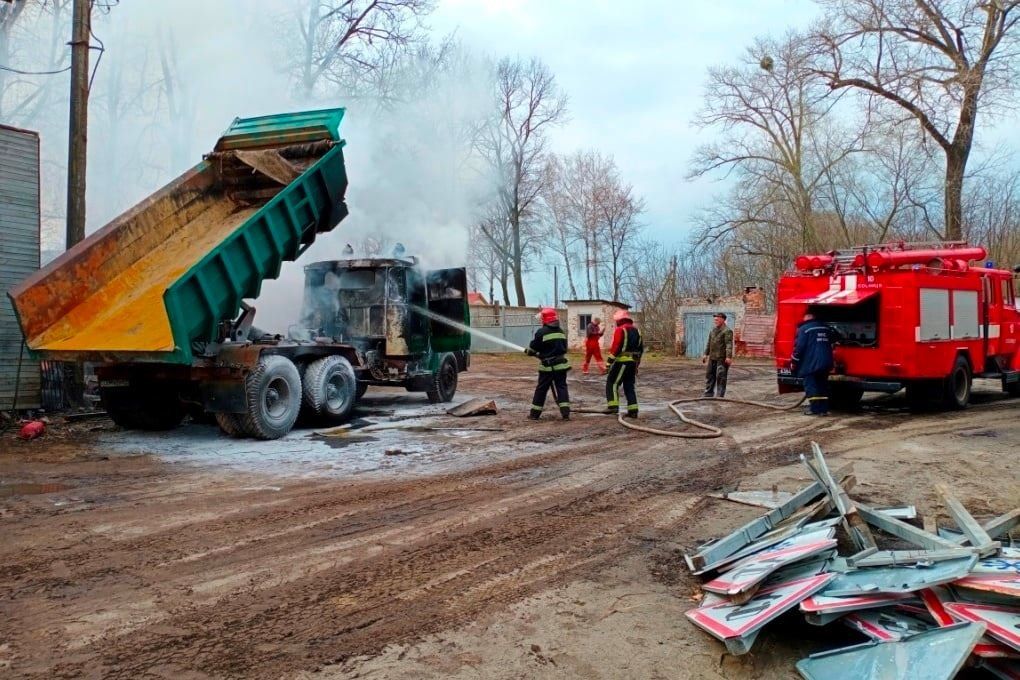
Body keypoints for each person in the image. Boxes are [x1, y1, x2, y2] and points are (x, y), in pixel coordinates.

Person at [524, 307, 571, 420]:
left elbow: (533, 349)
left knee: (541, 389)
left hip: (548, 368)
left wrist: (530, 352)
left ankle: (534, 414)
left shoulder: (541, 332)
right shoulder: (561, 331)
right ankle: (565, 413)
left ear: (545, 319)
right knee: (562, 387)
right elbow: (564, 348)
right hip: (561, 365)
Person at [792, 312, 838, 416]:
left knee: (811, 386)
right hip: (826, 362)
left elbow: (799, 348)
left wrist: (794, 360)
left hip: (810, 363)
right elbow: (836, 337)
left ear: (807, 317)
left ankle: (814, 409)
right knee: (822, 385)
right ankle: (824, 410)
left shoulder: (804, 329)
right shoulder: (826, 328)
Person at [606, 309, 643, 418]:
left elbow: (616, 347)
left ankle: (613, 407)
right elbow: (640, 350)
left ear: (619, 320)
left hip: (622, 362)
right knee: (629, 386)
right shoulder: (637, 331)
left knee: (612, 383)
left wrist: (609, 363)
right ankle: (633, 410)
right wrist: (637, 365)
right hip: (632, 363)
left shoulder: (620, 330)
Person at [702, 312, 733, 398]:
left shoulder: (727, 331)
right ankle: (708, 393)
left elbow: (729, 345)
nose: (715, 321)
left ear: (723, 319)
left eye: (717, 319)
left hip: (722, 359)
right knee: (709, 376)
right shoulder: (713, 330)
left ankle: (720, 396)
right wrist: (705, 354)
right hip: (712, 358)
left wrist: (728, 357)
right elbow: (709, 343)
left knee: (721, 377)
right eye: (715, 319)